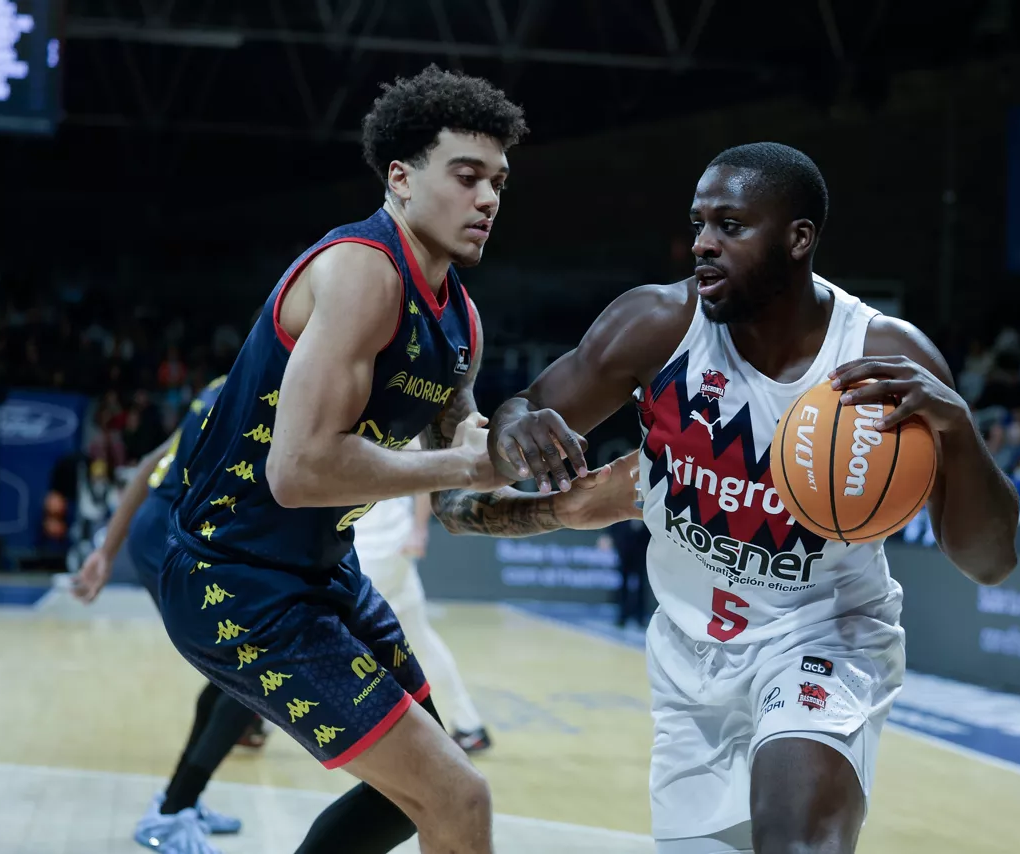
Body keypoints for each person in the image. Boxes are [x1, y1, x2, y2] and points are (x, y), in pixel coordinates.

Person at [155, 65, 640, 854]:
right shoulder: (361, 272)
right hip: (232, 577)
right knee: (460, 800)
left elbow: (457, 504)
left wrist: (574, 505)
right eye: (467, 176)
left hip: (321, 573)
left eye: (499, 182)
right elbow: (300, 471)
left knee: (407, 798)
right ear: (402, 178)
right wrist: (475, 465)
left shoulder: (462, 325)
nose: (488, 199)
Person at [488, 142, 1020, 854]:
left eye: (730, 225)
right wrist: (516, 426)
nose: (704, 242)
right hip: (686, 659)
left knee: (794, 843)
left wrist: (956, 429)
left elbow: (989, 562)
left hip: (820, 636)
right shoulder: (658, 324)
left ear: (799, 239)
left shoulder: (886, 361)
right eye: (699, 221)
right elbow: (522, 410)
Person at [72, 376, 259, 852]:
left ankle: (180, 802)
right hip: (171, 540)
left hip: (165, 533)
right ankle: (174, 810)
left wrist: (106, 553)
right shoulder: (258, 393)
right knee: (250, 675)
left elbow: (151, 465)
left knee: (236, 676)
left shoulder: (229, 382)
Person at [354, 434, 492, 753]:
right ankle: (469, 724)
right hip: (385, 545)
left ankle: (255, 719)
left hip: (374, 549)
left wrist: (418, 529)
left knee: (324, 633)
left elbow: (423, 471)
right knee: (419, 639)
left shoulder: (381, 407)